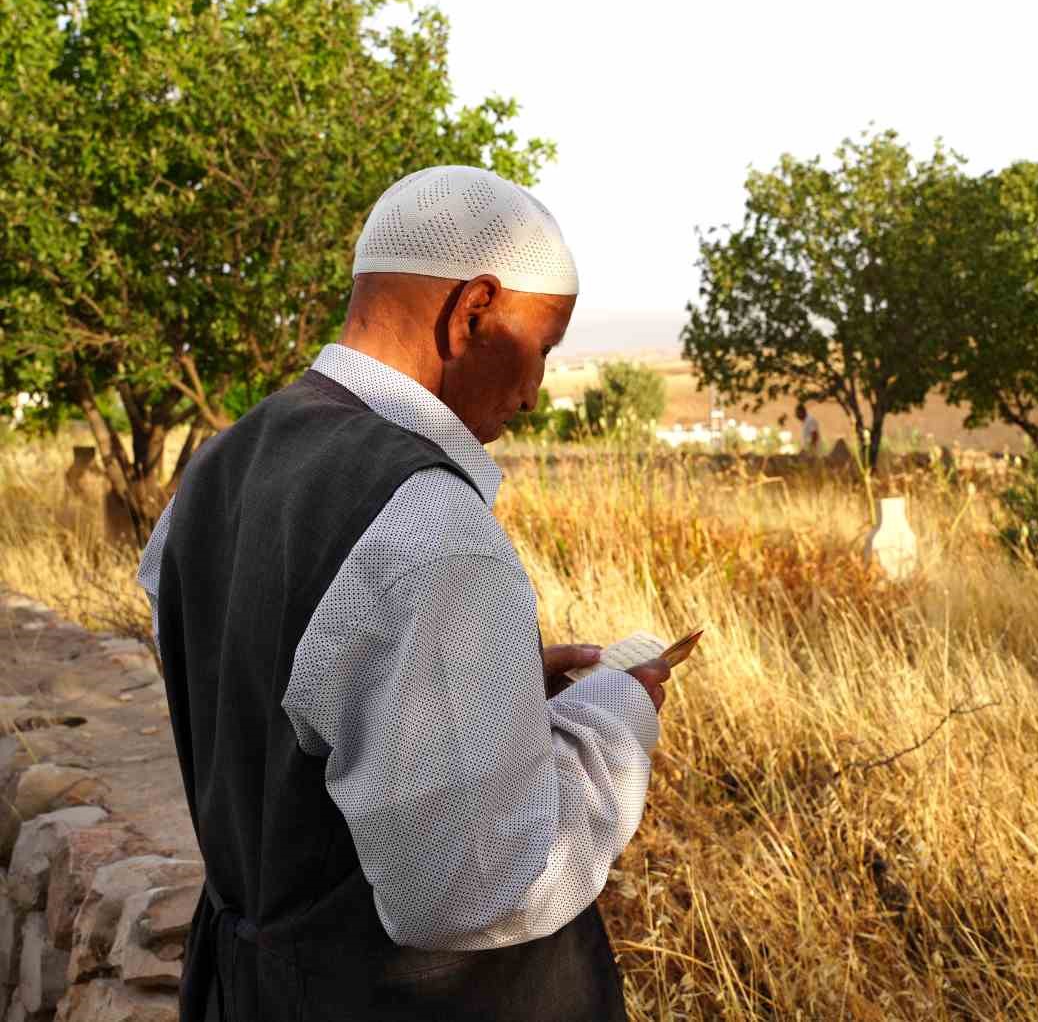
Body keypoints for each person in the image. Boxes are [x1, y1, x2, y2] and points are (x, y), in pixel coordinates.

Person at [137, 165, 672, 1021]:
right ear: (473, 310)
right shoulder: (429, 526)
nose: (536, 391)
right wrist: (616, 716)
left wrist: (484, 693)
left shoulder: (218, 468)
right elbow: (471, 889)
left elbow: (267, 707)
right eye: (543, 342)